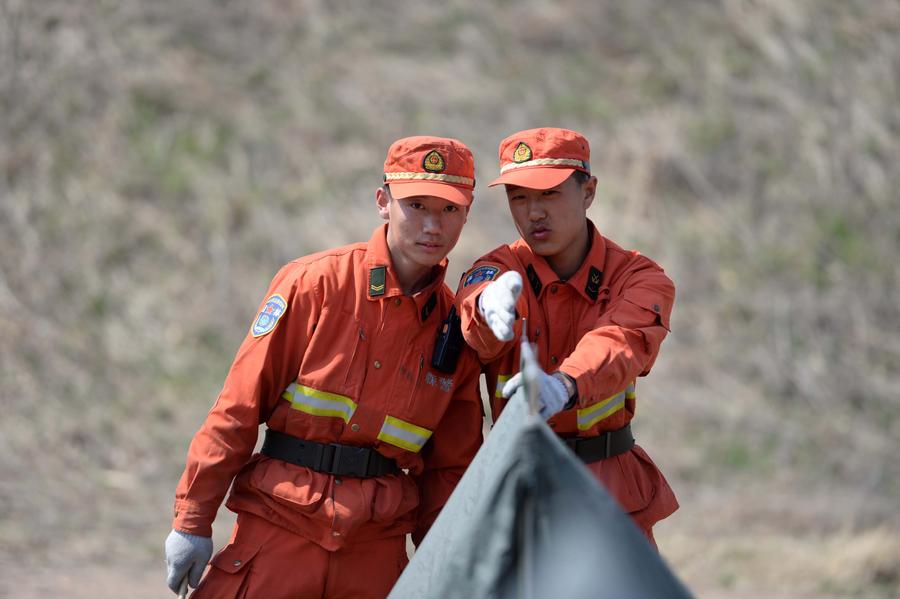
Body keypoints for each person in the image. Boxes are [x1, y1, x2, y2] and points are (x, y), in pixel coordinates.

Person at [165, 136, 484, 598]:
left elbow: (449, 471)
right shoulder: (316, 284)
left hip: (374, 551)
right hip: (279, 531)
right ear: (383, 202)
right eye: (416, 205)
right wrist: (193, 519)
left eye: (449, 209)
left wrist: (447, 567)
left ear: (467, 214)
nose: (432, 225)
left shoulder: (457, 332)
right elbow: (237, 408)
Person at [455, 127, 678, 546]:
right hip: (521, 489)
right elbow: (474, 311)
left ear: (588, 192)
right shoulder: (499, 271)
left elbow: (621, 340)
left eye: (550, 194)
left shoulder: (638, 277)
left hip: (609, 489)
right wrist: (485, 307)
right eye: (519, 197)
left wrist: (564, 385)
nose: (533, 213)